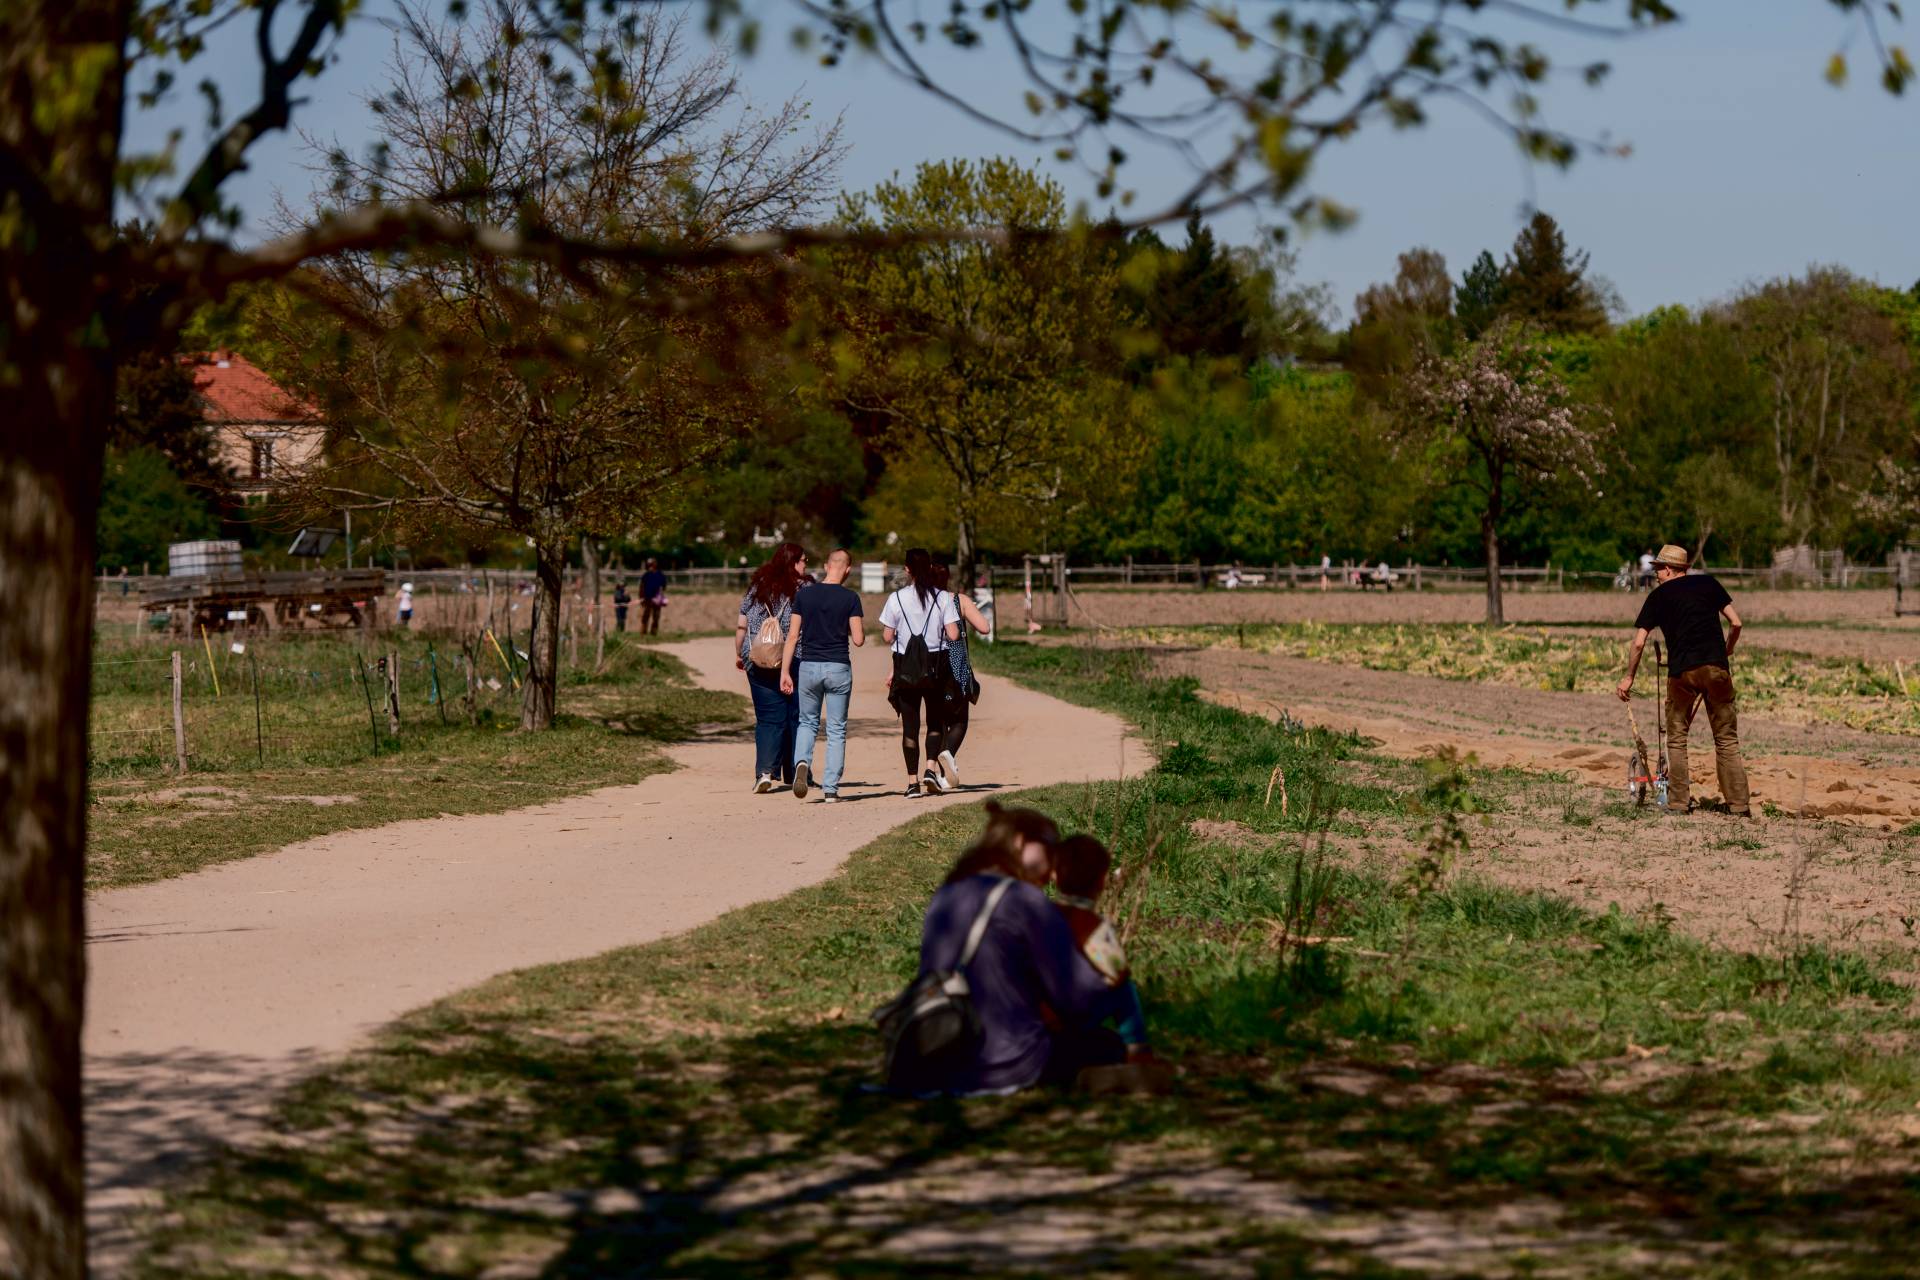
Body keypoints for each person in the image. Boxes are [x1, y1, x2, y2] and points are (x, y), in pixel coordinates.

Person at [898, 803, 1132, 1095]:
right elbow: (1077, 1000)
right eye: (1051, 847)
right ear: (1020, 841)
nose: (1055, 863)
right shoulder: (1025, 901)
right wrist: (1113, 977)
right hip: (1010, 1063)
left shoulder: (948, 893)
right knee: (1107, 1044)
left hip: (942, 1055)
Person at [1616, 543, 1751, 817]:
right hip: (1716, 669)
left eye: (1657, 569)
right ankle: (1738, 805)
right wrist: (1728, 649)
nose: (1655, 574)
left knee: (1676, 738)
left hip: (1682, 673)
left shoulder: (1657, 597)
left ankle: (1678, 802)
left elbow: (1639, 643)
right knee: (1726, 738)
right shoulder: (1709, 584)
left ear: (1668, 569)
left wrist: (1629, 677)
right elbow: (1736, 623)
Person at [1049, 835, 1153, 1062]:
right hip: (1060, 1028)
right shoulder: (1091, 927)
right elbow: (1116, 973)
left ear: (1054, 876)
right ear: (1103, 881)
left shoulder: (1036, 915)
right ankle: (1137, 1047)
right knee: (1122, 986)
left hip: (1024, 1024)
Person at [782, 548, 866, 803]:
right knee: (837, 729)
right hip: (838, 666)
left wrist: (785, 671)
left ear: (827, 565)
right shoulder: (850, 598)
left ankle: (802, 763)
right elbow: (860, 640)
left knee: (807, 722)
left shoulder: (804, 595)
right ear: (847, 569)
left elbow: (793, 636)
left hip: (808, 665)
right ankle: (831, 789)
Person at [880, 548, 961, 797]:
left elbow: (887, 636)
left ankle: (912, 783)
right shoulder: (943, 598)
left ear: (907, 569)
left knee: (910, 727)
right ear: (930, 568)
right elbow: (954, 634)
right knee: (936, 722)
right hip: (935, 668)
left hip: (906, 669)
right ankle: (930, 769)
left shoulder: (896, 598)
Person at [736, 542, 808, 794]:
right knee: (795, 716)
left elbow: (742, 626)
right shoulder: (804, 589)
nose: (805, 565)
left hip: (757, 659)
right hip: (795, 659)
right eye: (803, 561)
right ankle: (795, 771)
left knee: (768, 719)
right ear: (793, 563)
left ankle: (765, 773)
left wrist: (740, 654)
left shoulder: (757, 587)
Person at [929, 561, 987, 774]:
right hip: (956, 667)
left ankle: (938, 769)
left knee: (938, 719)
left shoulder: (921, 601)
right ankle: (949, 753)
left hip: (930, 667)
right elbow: (984, 627)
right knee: (960, 719)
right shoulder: (957, 600)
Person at [639, 558, 667, 635]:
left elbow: (663, 587)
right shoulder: (646, 575)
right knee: (645, 616)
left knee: (656, 616)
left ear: (655, 564)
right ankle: (643, 632)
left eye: (652, 564)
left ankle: (654, 632)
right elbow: (642, 587)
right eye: (649, 565)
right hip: (647, 598)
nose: (650, 566)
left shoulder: (660, 575)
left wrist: (661, 597)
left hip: (656, 599)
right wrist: (641, 598)